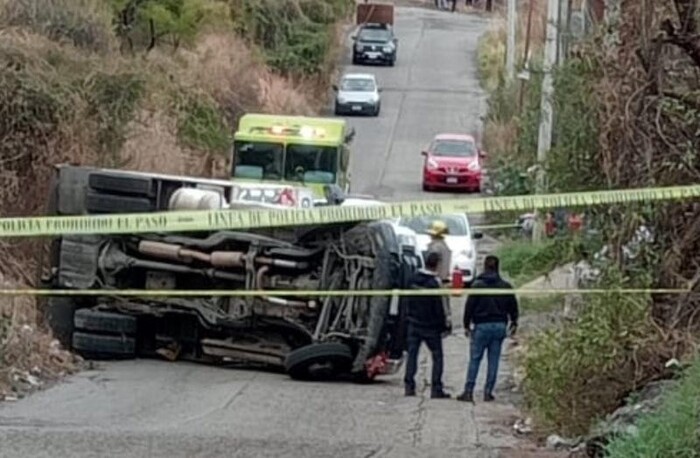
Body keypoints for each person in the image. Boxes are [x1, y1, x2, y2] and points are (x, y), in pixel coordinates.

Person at [457, 255, 519, 403]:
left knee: (475, 359)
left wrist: (466, 325)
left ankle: (469, 391)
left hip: (482, 326)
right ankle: (488, 392)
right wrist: (514, 322)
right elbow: (513, 308)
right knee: (494, 360)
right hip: (499, 326)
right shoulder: (506, 286)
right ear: (498, 267)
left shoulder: (477, 286)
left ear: (484, 267)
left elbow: (469, 307)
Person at [403, 251, 451, 399]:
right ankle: (436, 389)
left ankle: (409, 386)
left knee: (412, 356)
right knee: (437, 357)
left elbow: (406, 301)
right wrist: (445, 326)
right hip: (431, 327)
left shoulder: (412, 279)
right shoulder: (434, 283)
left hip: (414, 323)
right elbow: (440, 307)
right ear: (437, 264)